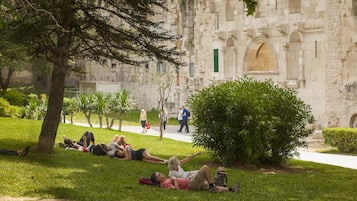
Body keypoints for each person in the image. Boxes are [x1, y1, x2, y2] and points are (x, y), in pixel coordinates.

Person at [151, 165, 240, 192]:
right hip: (191, 184)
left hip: (190, 181)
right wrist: (174, 179)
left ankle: (231, 189)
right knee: (205, 167)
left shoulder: (166, 179)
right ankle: (212, 185)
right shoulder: (164, 183)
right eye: (159, 174)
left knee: (208, 185)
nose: (161, 174)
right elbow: (176, 190)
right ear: (157, 179)